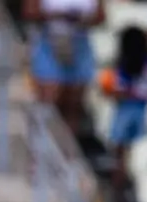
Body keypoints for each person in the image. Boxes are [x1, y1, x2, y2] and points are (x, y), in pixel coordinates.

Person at [23, 0, 106, 136]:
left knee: (72, 105)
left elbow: (100, 17)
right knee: (49, 102)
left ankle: (67, 150)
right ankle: (42, 144)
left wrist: (80, 19)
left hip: (79, 44)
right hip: (50, 42)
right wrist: (59, 16)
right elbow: (30, 12)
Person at [102, 26, 147, 199]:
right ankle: (120, 192)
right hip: (134, 111)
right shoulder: (126, 67)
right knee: (124, 157)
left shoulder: (143, 66)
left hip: (130, 112)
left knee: (127, 156)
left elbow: (117, 92)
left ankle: (122, 191)